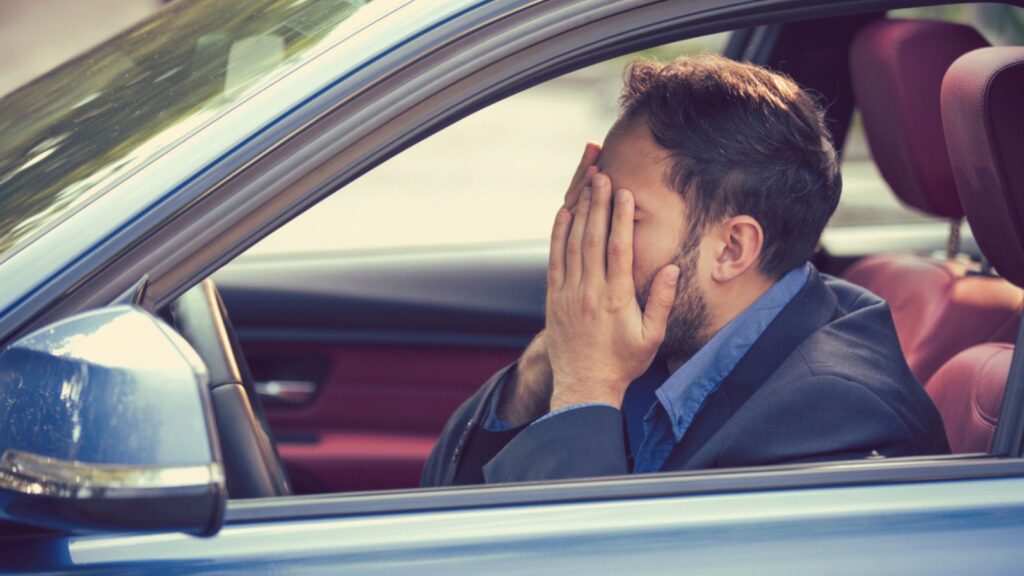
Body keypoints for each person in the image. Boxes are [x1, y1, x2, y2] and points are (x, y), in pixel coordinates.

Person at [421, 55, 950, 487]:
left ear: (731, 249)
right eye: (590, 203)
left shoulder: (835, 421)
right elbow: (445, 494)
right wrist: (552, 357)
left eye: (622, 213)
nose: (588, 233)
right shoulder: (671, 335)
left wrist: (588, 388)